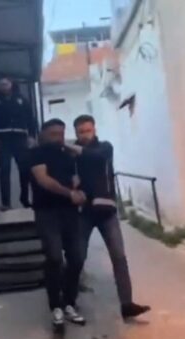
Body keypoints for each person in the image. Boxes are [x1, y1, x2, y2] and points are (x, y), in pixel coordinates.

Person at [65, 114, 151, 321]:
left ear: (94, 130)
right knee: (77, 258)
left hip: (106, 211)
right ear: (76, 132)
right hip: (83, 212)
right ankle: (68, 302)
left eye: (88, 130)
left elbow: (96, 157)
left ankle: (127, 304)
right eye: (81, 132)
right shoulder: (70, 155)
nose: (85, 135)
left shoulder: (104, 147)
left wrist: (72, 149)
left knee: (119, 257)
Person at [29, 119, 87, 330]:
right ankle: (56, 307)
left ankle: (69, 303)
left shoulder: (67, 155)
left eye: (61, 134)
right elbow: (43, 179)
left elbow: (75, 178)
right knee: (54, 257)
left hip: (70, 213)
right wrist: (69, 193)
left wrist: (78, 188)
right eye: (53, 134)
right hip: (47, 212)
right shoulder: (36, 154)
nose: (58, 138)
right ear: (43, 134)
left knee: (77, 258)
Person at [0, 78, 37, 210]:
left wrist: (31, 135)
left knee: (24, 169)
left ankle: (25, 199)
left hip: (20, 137)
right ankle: (6, 203)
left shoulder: (21, 100)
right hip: (2, 138)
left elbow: (31, 118)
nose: (3, 86)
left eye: (5, 84)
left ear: (11, 84)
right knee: (4, 169)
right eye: (0, 84)